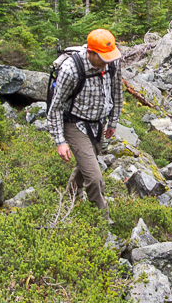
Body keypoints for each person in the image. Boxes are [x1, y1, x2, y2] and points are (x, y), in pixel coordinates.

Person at [46, 28, 122, 218]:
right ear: (90, 52)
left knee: (85, 166)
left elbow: (117, 91)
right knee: (95, 178)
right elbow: (55, 107)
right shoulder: (70, 70)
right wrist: (60, 141)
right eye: (103, 58)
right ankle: (102, 219)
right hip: (75, 124)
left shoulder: (112, 61)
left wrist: (113, 121)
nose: (107, 62)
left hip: (98, 124)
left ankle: (69, 200)